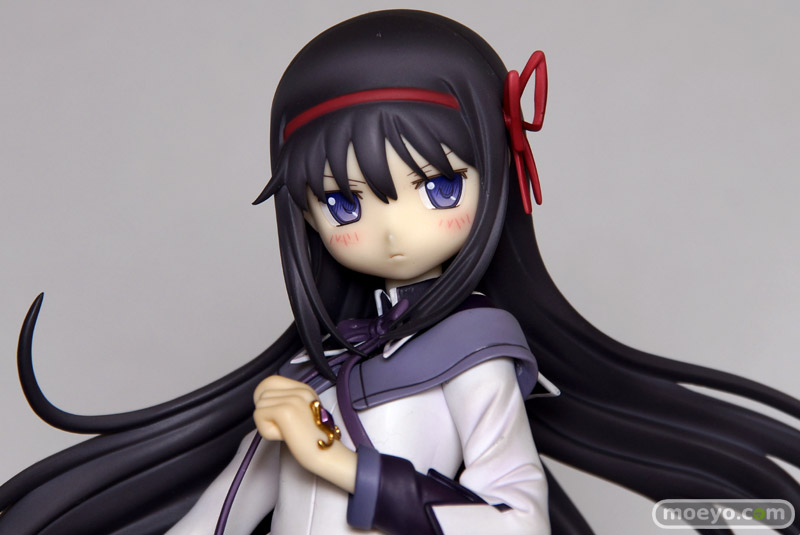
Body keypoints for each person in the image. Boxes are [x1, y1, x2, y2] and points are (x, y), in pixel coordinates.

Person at [1, 9, 799, 535]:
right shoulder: (318, 367)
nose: (390, 231)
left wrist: (340, 464)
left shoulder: (476, 355)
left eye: (438, 188)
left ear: (496, 178)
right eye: (344, 202)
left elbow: (515, 518)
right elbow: (223, 514)